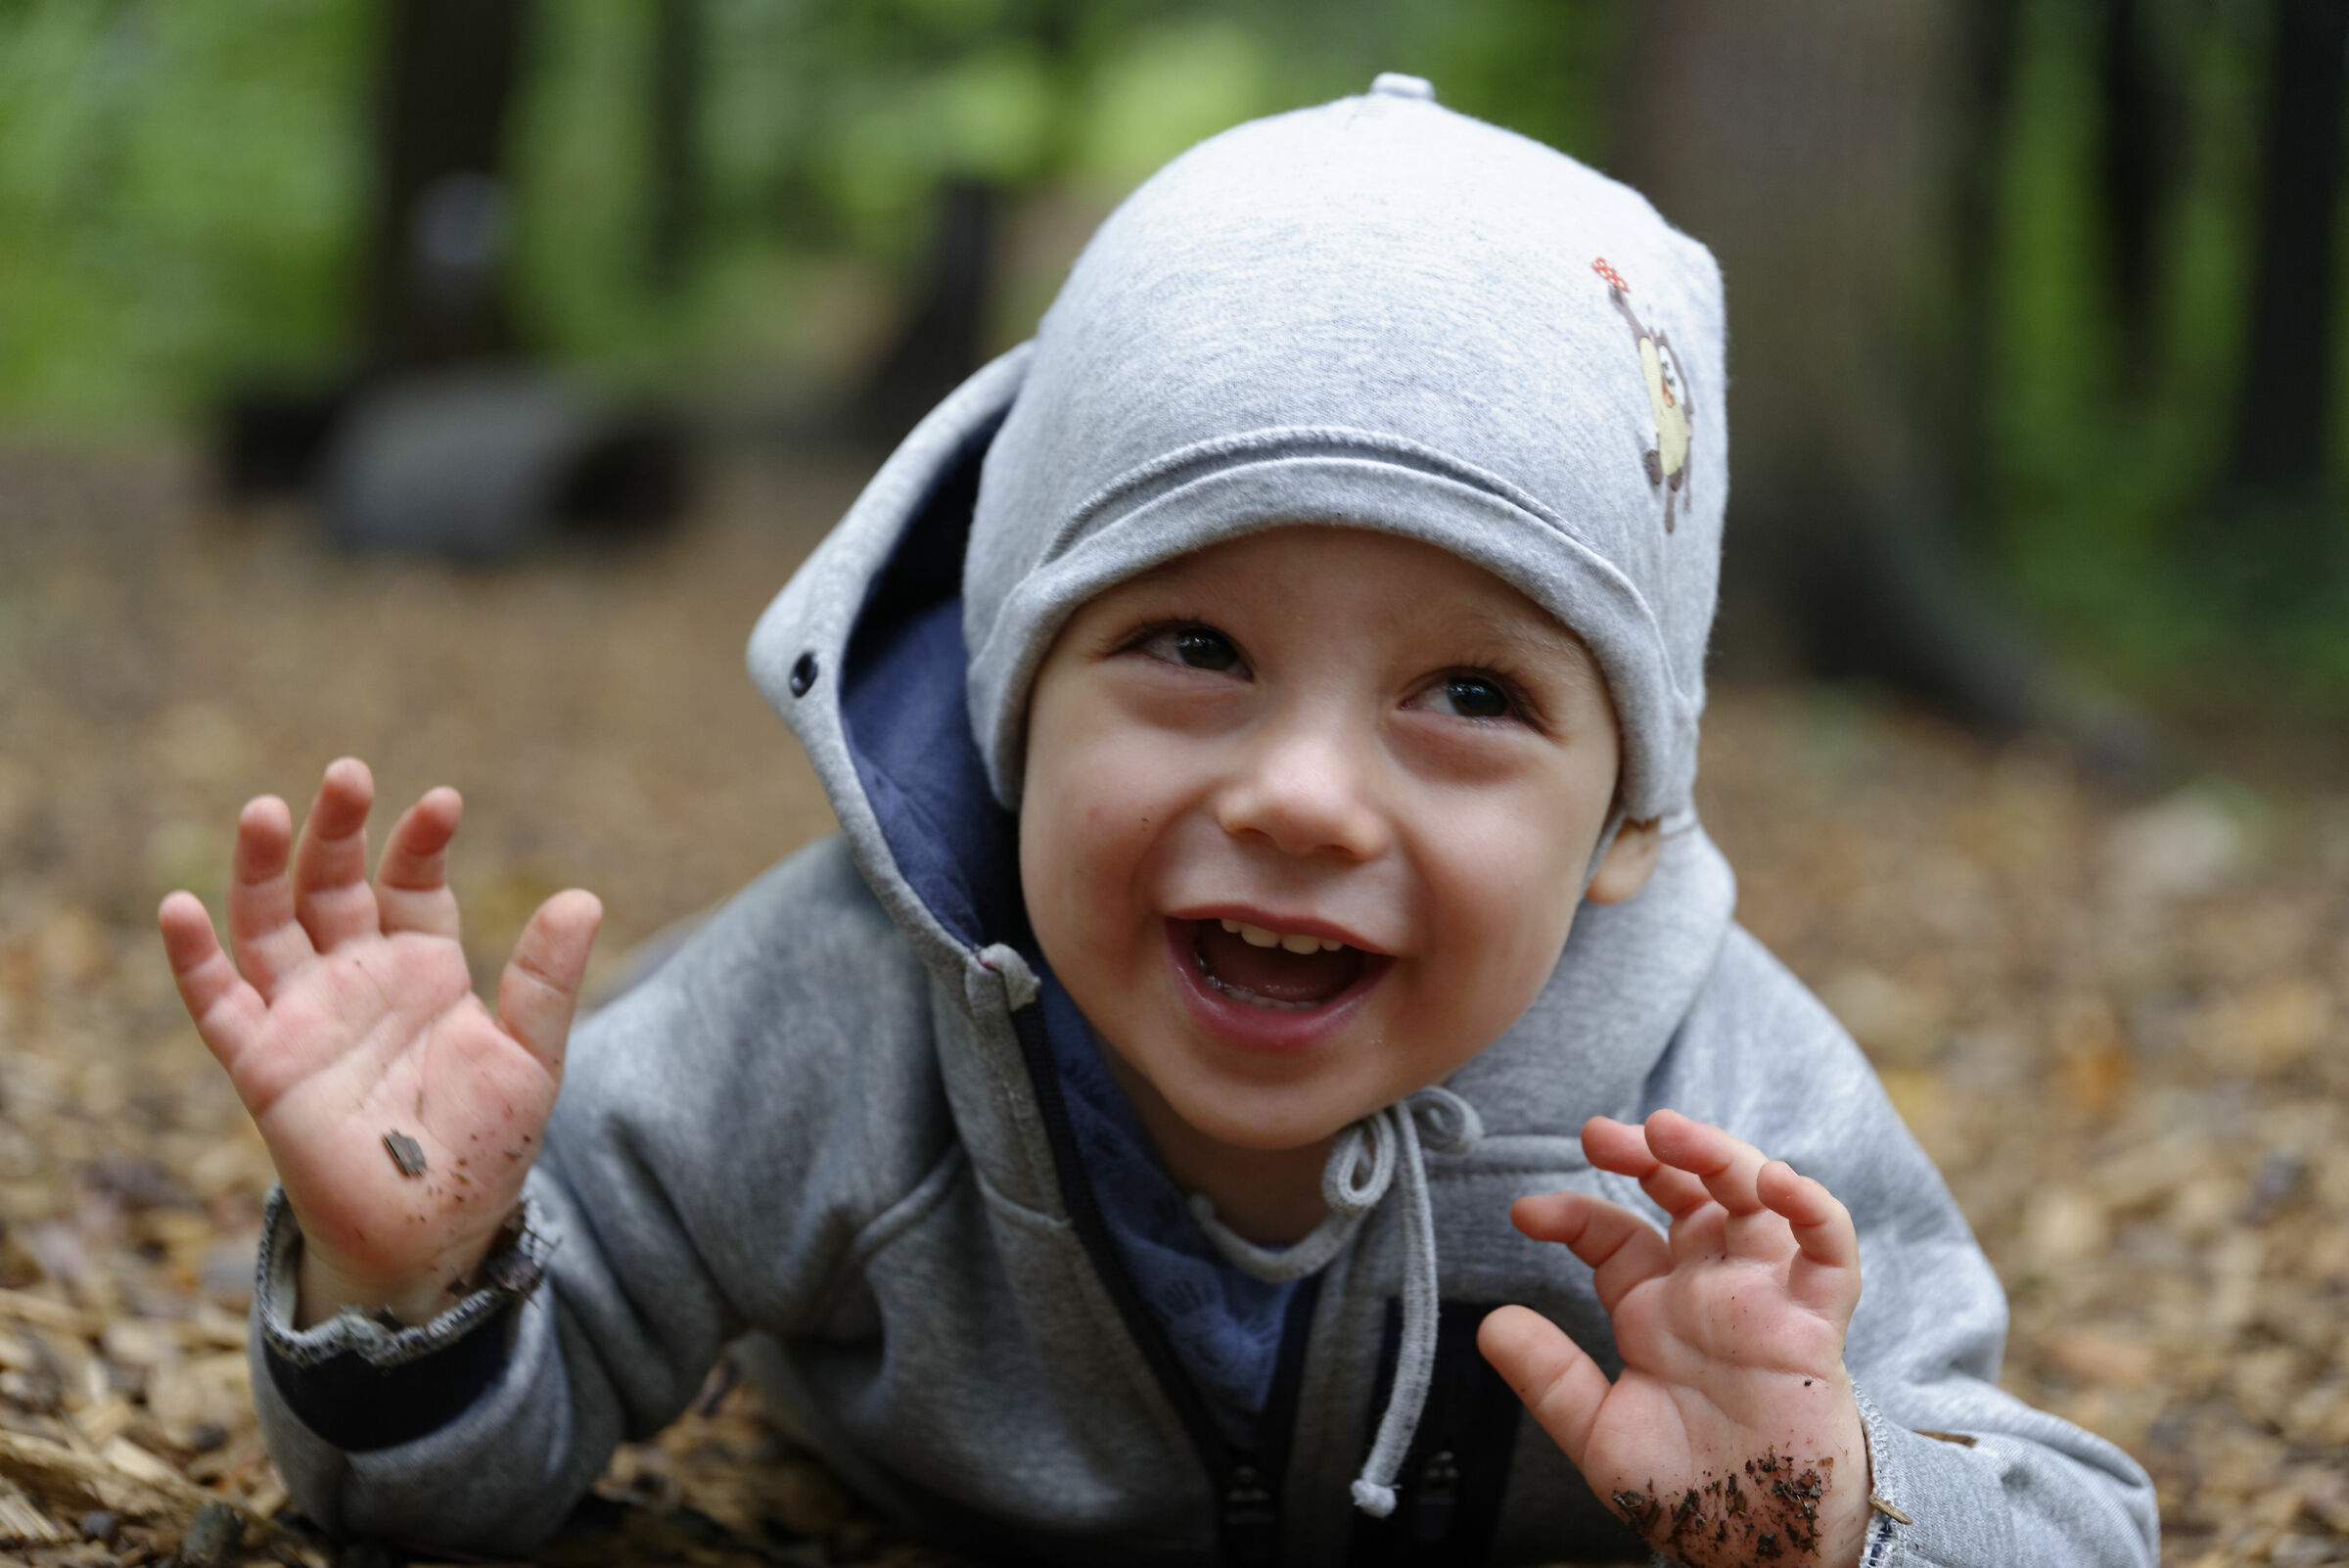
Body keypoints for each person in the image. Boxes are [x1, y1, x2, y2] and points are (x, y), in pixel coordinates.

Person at [158, 76, 2158, 1566]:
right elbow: (429, 1494)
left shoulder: (1714, 1125)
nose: (1298, 792)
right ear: (1022, 706)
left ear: (1625, 821)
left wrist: (1825, 1499)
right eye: (1194, 643)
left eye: (1472, 696)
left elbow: (2075, 1517)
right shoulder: (843, 1009)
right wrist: (407, 1290)